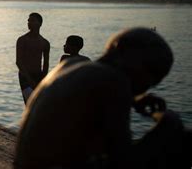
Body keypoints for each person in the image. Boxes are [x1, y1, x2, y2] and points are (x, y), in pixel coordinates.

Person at [15, 28, 190, 168]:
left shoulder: (71, 65)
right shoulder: (114, 81)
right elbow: (124, 163)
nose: (147, 85)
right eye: (150, 75)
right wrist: (168, 124)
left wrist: (133, 100)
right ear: (128, 54)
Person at [16, 12, 50, 104]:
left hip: (38, 76)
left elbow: (46, 64)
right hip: (24, 76)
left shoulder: (45, 43)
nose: (29, 23)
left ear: (40, 23)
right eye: (28, 21)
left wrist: (44, 80)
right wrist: (29, 79)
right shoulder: (22, 40)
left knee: (39, 104)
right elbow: (19, 62)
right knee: (30, 102)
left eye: (32, 21)